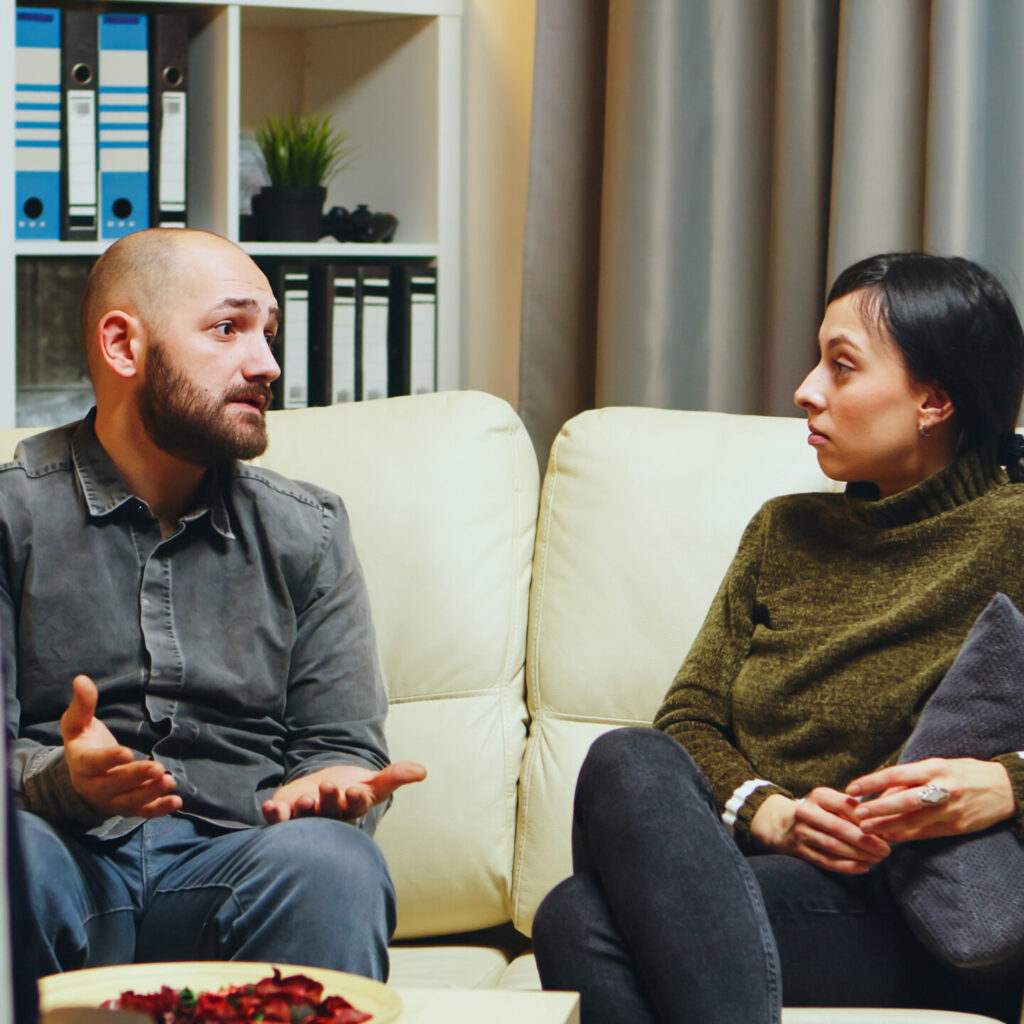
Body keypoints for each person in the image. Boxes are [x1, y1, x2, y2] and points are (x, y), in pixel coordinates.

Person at [533, 252, 1024, 1023]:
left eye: (842, 367)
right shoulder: (784, 532)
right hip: (742, 872)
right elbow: (688, 719)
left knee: (575, 918)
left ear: (933, 399)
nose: (806, 390)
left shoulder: (1016, 532)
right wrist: (773, 814)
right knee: (625, 757)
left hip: (910, 908)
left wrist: (1006, 785)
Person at [3, 228, 426, 980]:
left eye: (268, 333)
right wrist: (64, 781)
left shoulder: (310, 531)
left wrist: (331, 790)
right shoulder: (12, 520)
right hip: (63, 864)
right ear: (124, 346)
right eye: (229, 328)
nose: (266, 364)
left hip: (235, 865)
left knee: (334, 864)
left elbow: (343, 744)